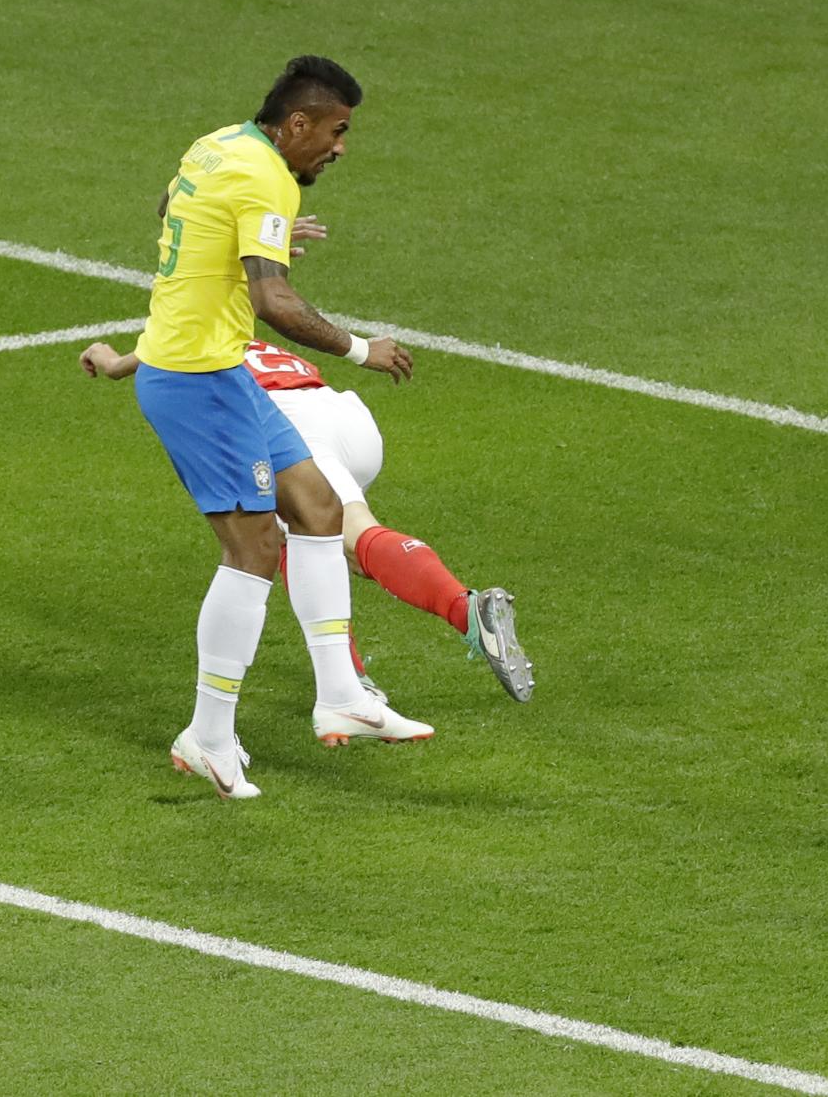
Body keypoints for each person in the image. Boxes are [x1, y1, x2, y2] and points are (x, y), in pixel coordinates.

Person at [126, 55, 423, 800]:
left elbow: (170, 206)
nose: (340, 146)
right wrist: (362, 349)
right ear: (296, 123)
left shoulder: (218, 143)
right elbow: (276, 304)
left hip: (218, 368)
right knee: (254, 549)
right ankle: (209, 736)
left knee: (319, 508)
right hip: (195, 381)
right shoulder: (268, 178)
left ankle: (341, 695)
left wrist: (243, 240)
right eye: (335, 130)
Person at [82, 335, 532, 705]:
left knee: (344, 534)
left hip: (289, 424)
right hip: (342, 415)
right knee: (304, 538)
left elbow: (141, 359)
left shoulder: (188, 318)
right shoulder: (235, 317)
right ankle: (350, 678)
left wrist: (107, 357)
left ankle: (467, 608)